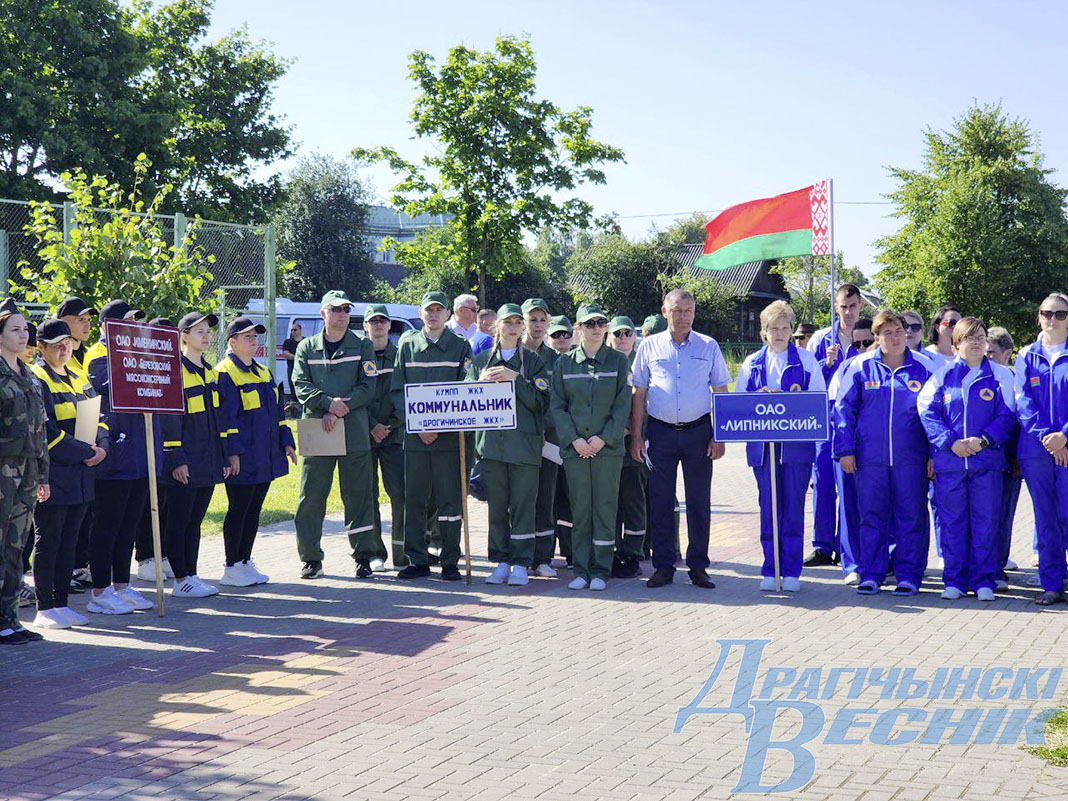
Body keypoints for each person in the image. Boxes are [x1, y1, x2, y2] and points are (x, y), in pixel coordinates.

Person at [630, 289, 730, 589]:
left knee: (699, 503)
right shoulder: (649, 346)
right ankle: (663, 567)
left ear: (694, 313)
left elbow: (721, 390)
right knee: (660, 502)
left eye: (688, 310)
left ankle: (698, 567)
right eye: (677, 310)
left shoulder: (708, 345)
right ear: (664, 312)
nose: (683, 316)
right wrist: (637, 436)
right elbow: (639, 394)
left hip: (699, 433)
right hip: (659, 432)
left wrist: (720, 435)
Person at [833, 310, 935, 596]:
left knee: (911, 516)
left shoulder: (925, 368)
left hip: (912, 460)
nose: (895, 337)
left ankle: (909, 575)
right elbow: (843, 411)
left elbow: (936, 414)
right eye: (887, 333)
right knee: (871, 516)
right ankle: (872, 573)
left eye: (899, 331)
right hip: (870, 459)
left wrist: (933, 455)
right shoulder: (860, 367)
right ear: (876, 338)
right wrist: (845, 450)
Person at [918, 317, 1015, 602]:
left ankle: (984, 580)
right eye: (969, 338)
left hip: (988, 464)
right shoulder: (941, 376)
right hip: (951, 465)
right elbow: (927, 412)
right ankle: (955, 581)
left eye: (981, 337)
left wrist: (983, 441)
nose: (976, 342)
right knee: (953, 523)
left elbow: (1008, 415)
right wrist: (950, 443)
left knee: (986, 522)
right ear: (956, 343)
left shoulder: (1001, 375)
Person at [735, 301, 826, 592]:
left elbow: (818, 401)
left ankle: (791, 571)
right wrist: (758, 396)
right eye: (774, 328)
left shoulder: (806, 361)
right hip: (763, 448)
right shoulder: (752, 363)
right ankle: (769, 568)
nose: (779, 333)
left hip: (796, 448)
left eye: (785, 328)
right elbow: (738, 404)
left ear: (791, 331)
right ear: (764, 332)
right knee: (769, 507)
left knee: (793, 507)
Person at [291, 290, 378, 579]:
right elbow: (300, 385)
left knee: (358, 496)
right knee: (311, 496)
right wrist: (328, 404)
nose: (342, 315)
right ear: (323, 314)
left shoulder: (363, 345)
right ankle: (310, 559)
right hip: (318, 429)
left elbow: (369, 386)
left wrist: (340, 407)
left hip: (353, 431)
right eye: (336, 310)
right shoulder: (305, 347)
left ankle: (364, 557)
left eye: (345, 310)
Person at [30, 320, 108, 629]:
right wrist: (88, 452)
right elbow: (47, 432)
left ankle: (60, 603)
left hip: (80, 473)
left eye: (68, 343)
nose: (64, 349)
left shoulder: (77, 376)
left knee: (70, 542)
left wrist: (101, 446)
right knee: (49, 540)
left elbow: (98, 417)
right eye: (56, 344)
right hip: (54, 473)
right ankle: (45, 607)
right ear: (41, 348)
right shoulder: (37, 379)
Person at [392, 291, 473, 581]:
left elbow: (466, 390)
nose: (434, 314)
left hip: (449, 440)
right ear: (420, 313)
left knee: (450, 502)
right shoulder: (407, 345)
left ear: (448, 313)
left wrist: (440, 426)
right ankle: (418, 560)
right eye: (429, 310)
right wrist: (418, 425)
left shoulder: (461, 346)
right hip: (415, 440)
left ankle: (450, 559)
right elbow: (396, 391)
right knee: (415, 501)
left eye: (439, 309)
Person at [86, 300, 159, 615]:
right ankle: (100, 591)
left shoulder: (137, 355)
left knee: (129, 524)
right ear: (107, 326)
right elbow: (111, 391)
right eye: (128, 321)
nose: (135, 327)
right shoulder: (98, 357)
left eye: (137, 322)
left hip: (139, 457)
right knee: (108, 525)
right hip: (113, 457)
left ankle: (122, 586)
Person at [469, 304, 550, 586]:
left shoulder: (533, 361)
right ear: (497, 326)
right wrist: (478, 384)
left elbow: (542, 402)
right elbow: (467, 402)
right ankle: (501, 561)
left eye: (518, 322)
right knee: (497, 507)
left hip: (523, 447)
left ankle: (521, 563)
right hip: (491, 446)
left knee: (523, 507)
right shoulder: (481, 360)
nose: (513, 327)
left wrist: (517, 380)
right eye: (508, 322)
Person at [551, 303, 630, 590]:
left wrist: (602, 439)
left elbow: (622, 406)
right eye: (589, 324)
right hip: (576, 450)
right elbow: (557, 407)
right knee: (580, 509)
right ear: (578, 328)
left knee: (605, 509)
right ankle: (581, 570)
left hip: (607, 450)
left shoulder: (619, 362)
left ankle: (600, 570)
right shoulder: (564, 363)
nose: (596, 328)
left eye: (601, 323)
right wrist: (575, 440)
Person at [216, 317, 296, 586]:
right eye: (247, 337)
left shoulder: (263, 371)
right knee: (238, 509)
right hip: (243, 457)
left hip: (265, 456)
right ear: (232, 342)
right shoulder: (225, 373)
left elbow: (277, 413)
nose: (254, 341)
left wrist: (287, 442)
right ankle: (231, 566)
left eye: (255, 336)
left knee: (254, 510)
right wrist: (233, 453)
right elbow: (228, 419)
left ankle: (244, 561)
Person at [162, 312, 230, 598]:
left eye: (208, 331)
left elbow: (219, 420)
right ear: (184, 337)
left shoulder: (209, 372)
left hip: (207, 460)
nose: (206, 335)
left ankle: (192, 573)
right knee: (178, 521)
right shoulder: (174, 371)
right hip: (186, 461)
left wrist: (225, 457)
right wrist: (176, 459)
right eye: (198, 331)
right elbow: (170, 420)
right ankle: (180, 578)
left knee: (195, 521)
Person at [1013, 292, 1068, 605]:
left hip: (1067, 446)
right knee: (1045, 516)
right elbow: (1022, 402)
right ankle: (1052, 583)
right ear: (1039, 316)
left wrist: (1065, 436)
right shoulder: (1026, 355)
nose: (1053, 319)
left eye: (1060, 314)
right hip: (1036, 449)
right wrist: (1048, 436)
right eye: (1048, 313)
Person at [0, 300, 50, 644]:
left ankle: (9, 617)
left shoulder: (28, 375)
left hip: (27, 471)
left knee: (16, 547)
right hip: (3, 471)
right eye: (15, 329)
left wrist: (43, 475)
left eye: (25, 329)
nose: (24, 334)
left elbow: (40, 430)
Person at [804, 284, 863, 567]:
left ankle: (846, 546)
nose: (848, 312)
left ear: (860, 305)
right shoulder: (821, 339)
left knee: (849, 482)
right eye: (843, 306)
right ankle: (822, 545)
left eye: (852, 306)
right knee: (823, 481)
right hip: (825, 417)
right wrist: (824, 363)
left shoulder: (866, 337)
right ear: (835, 307)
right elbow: (810, 381)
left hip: (856, 418)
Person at [58, 297, 100, 595]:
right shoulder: (59, 357)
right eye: (81, 319)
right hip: (65, 452)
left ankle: (79, 564)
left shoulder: (84, 354)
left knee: (85, 514)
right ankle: (64, 571)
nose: (86, 324)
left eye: (88, 320)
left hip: (88, 445)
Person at [362, 303, 406, 570]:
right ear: (365, 326)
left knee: (400, 494)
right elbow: (353, 392)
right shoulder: (357, 355)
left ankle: (402, 554)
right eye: (373, 320)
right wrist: (371, 425)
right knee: (367, 495)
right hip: (364, 435)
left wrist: (389, 425)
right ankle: (374, 552)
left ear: (390, 326)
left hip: (394, 435)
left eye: (383, 320)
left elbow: (407, 394)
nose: (378, 324)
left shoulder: (400, 355)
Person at [521, 298, 562, 576]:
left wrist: (544, 432)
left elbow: (557, 400)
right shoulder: (511, 354)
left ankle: (543, 557)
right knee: (520, 499)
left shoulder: (556, 359)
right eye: (532, 319)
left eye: (542, 320)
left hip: (548, 439)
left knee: (545, 498)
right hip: (518, 439)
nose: (537, 325)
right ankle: (520, 555)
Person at [607, 315, 645, 579]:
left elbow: (650, 402)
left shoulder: (643, 364)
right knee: (611, 503)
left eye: (627, 333)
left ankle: (632, 553)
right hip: (607, 444)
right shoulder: (605, 363)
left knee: (633, 502)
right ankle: (612, 551)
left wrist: (635, 432)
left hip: (635, 444)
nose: (622, 339)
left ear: (635, 336)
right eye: (617, 333)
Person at [986, 327, 1025, 584]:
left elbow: (1018, 422)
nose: (986, 357)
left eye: (992, 352)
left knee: (1003, 517)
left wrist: (1015, 458)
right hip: (981, 461)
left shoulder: (1012, 380)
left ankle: (998, 566)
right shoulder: (975, 378)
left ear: (1007, 353)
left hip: (1008, 462)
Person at [281, 322, 303, 406]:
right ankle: (295, 408)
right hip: (292, 368)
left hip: (303, 369)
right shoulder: (288, 342)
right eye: (291, 330)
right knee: (293, 387)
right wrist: (298, 357)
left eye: (295, 329)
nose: (293, 331)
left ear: (300, 330)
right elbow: (286, 354)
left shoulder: (305, 341)